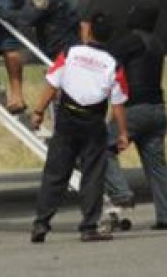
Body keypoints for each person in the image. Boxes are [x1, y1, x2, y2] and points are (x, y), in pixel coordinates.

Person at [30, 12, 129, 243]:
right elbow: (118, 104)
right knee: (93, 174)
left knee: (55, 173)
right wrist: (123, 132)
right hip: (93, 122)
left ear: (89, 31)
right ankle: (88, 226)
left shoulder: (70, 52)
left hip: (66, 119)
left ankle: (41, 224)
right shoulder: (114, 64)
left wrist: (38, 111)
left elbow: (52, 83)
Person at [101, 0, 167, 230]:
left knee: (101, 147)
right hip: (158, 109)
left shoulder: (130, 42)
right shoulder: (157, 43)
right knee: (157, 167)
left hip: (134, 109)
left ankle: (121, 192)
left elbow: (107, 62)